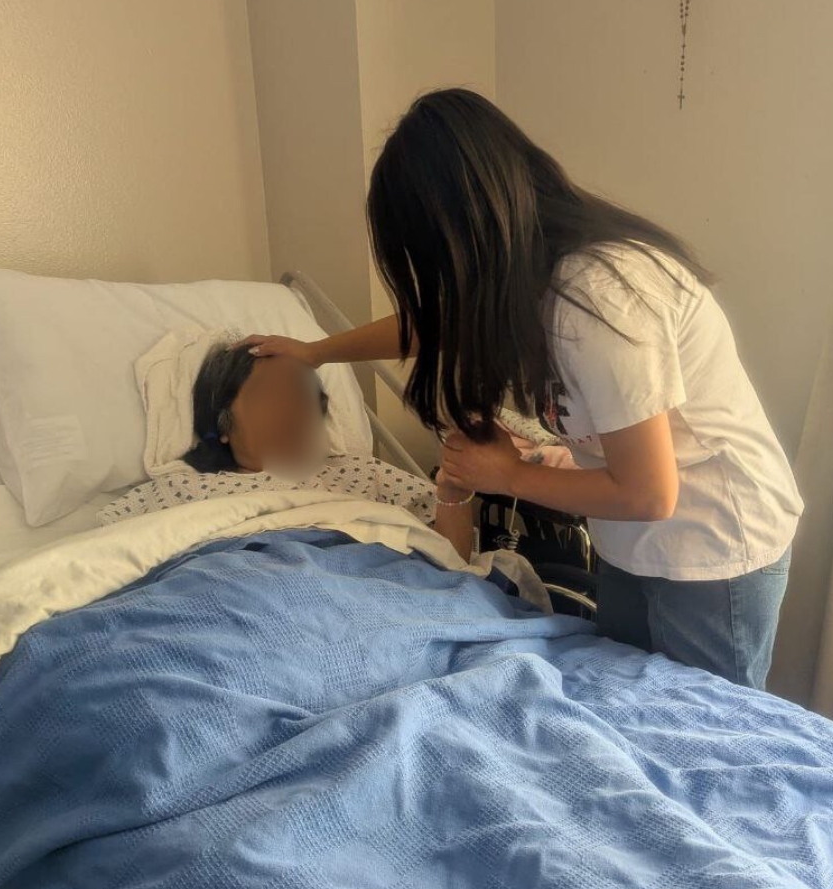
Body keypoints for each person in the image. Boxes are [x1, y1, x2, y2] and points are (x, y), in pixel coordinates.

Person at [244, 89, 804, 689]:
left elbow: (650, 493)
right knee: (629, 704)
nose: (438, 283)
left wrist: (506, 474)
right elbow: (434, 323)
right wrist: (315, 352)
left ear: (463, 232)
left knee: (701, 728)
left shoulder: (598, 296)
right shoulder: (527, 279)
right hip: (630, 541)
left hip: (712, 546)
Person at [103, 341, 475, 561]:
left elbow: (452, 560)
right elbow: (103, 566)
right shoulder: (177, 490)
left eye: (301, 394)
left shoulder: (364, 472)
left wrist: (453, 488)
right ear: (222, 425)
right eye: (268, 395)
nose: (291, 409)